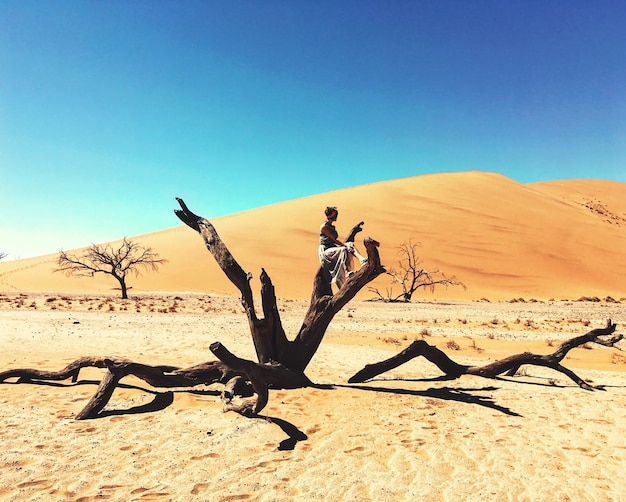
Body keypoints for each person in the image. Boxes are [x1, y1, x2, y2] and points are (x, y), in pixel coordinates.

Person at [318, 206, 366, 289]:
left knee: (350, 244)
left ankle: (361, 259)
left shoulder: (331, 225)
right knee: (344, 249)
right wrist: (344, 245)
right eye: (336, 215)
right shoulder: (324, 227)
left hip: (333, 247)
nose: (337, 216)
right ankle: (348, 271)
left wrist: (346, 245)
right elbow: (334, 240)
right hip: (326, 250)